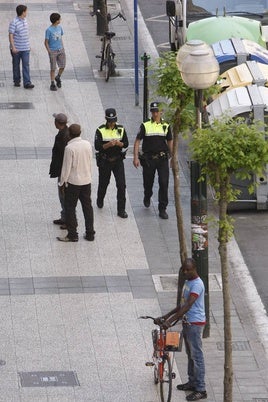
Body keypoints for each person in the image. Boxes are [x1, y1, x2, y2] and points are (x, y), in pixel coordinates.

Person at [155, 258, 207, 401]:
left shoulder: (197, 285)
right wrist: (166, 316)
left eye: (187, 269)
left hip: (195, 324)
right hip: (187, 323)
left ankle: (201, 389)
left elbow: (187, 306)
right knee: (190, 354)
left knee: (197, 356)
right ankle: (192, 382)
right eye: (183, 269)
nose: (185, 272)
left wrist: (170, 322)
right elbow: (181, 305)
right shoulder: (187, 282)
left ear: (194, 268)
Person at [133, 102, 173, 219]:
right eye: (153, 111)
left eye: (157, 111)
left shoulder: (166, 125)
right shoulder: (145, 125)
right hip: (149, 159)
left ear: (161, 112)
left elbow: (170, 141)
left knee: (164, 183)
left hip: (162, 159)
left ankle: (162, 208)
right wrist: (135, 157)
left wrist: (173, 157)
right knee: (148, 182)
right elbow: (137, 141)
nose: (155, 113)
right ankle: (147, 195)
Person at [57, 124, 95, 242]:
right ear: (80, 132)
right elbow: (90, 161)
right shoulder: (87, 144)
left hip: (73, 183)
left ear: (69, 134)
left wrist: (62, 182)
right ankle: (90, 233)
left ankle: (72, 234)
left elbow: (66, 168)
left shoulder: (69, 148)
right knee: (87, 207)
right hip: (86, 181)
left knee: (70, 208)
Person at [94, 108, 129, 218]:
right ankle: (100, 199)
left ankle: (121, 210)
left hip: (118, 160)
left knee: (121, 185)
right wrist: (108, 145)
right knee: (104, 184)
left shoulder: (121, 129)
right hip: (105, 161)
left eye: (113, 121)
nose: (112, 123)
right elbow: (97, 147)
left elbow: (126, 144)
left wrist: (119, 144)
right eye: (110, 121)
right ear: (106, 119)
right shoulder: (100, 130)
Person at [49, 113, 69, 228]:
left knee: (64, 195)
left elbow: (62, 156)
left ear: (57, 123)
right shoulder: (64, 133)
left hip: (63, 171)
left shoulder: (63, 136)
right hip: (61, 169)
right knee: (62, 195)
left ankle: (67, 219)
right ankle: (64, 216)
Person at [8, 4, 34, 89]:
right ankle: (16, 80)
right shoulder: (14, 22)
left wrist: (28, 45)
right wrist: (13, 47)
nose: (27, 12)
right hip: (17, 49)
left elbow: (25, 34)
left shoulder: (25, 20)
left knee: (26, 65)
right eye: (26, 11)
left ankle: (27, 82)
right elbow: (11, 35)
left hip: (25, 48)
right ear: (23, 12)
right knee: (16, 65)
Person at [44, 13, 66, 91]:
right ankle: (52, 83)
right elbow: (46, 42)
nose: (60, 20)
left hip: (60, 50)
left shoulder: (60, 28)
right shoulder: (49, 30)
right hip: (53, 51)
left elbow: (60, 38)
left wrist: (62, 47)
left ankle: (58, 77)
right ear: (57, 21)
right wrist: (49, 51)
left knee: (63, 66)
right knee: (53, 68)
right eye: (60, 19)